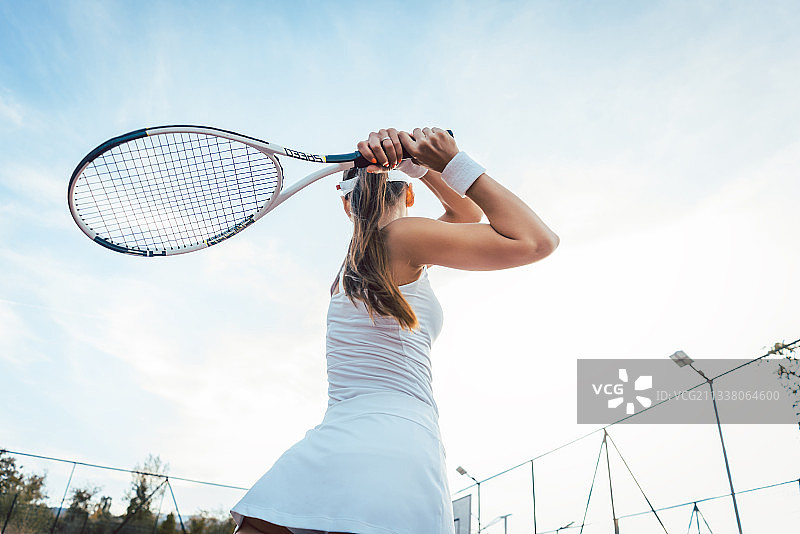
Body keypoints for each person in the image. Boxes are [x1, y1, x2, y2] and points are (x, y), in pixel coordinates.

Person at [230, 127, 559, 534]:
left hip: (335, 441)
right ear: (409, 197)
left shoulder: (354, 268)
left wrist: (415, 167)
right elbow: (536, 241)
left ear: (347, 207)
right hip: (397, 443)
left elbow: (464, 218)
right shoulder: (402, 238)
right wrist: (447, 165)